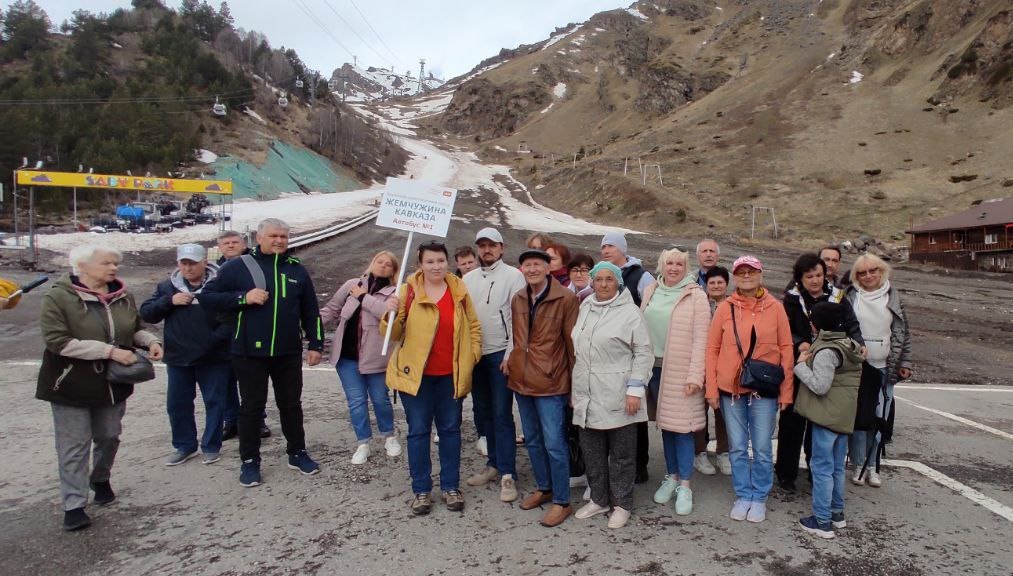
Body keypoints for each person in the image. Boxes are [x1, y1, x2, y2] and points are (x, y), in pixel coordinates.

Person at [37, 245, 163, 531]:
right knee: (74, 445)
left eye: (115, 263)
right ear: (81, 266)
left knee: (109, 436)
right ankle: (74, 504)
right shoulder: (58, 297)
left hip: (112, 384)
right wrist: (109, 352)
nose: (113, 268)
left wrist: (150, 342)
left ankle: (100, 477)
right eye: (106, 263)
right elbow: (58, 341)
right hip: (69, 383)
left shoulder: (122, 295)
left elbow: (134, 328)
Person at [201, 218, 324, 487]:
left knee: (291, 405)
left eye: (283, 236)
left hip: (287, 351)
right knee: (252, 407)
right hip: (247, 351)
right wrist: (243, 298)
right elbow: (207, 297)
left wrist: (316, 345)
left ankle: (297, 453)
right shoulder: (238, 266)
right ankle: (249, 461)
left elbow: (311, 311)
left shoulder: (296, 269)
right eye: (273, 236)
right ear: (259, 237)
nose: (279, 240)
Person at [381, 241, 481, 515]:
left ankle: (450, 486)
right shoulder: (408, 291)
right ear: (420, 265)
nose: (436, 266)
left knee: (450, 431)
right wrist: (389, 312)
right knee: (418, 432)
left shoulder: (458, 290)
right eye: (430, 261)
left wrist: (472, 355)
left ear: (447, 262)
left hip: (450, 375)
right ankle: (421, 490)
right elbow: (393, 333)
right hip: (418, 378)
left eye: (440, 260)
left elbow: (473, 325)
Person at [705, 255, 793, 523]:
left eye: (751, 271)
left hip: (764, 389)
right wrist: (711, 388)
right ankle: (743, 494)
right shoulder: (725, 308)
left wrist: (786, 391)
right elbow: (712, 349)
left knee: (764, 447)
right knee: (738, 447)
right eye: (741, 272)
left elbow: (787, 348)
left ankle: (760, 496)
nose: (746, 276)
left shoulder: (776, 308)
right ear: (734, 276)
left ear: (760, 275)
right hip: (730, 389)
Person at [571, 262, 653, 529]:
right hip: (587, 390)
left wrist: (635, 389)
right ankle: (599, 498)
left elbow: (643, 353)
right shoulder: (585, 307)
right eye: (599, 279)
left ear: (618, 282)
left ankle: (622, 503)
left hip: (619, 391)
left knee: (622, 455)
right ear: (592, 282)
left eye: (609, 279)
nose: (603, 284)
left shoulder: (630, 313)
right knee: (592, 452)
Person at [776, 253, 865, 492]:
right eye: (809, 276)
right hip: (801, 363)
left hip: (828, 364)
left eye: (818, 275)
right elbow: (783, 329)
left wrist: (859, 341)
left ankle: (818, 472)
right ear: (800, 278)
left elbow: (852, 324)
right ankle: (786, 473)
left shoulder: (837, 296)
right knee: (792, 423)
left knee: (820, 421)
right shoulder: (792, 299)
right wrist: (799, 343)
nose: (815, 280)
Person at [506, 249, 579, 527]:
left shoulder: (566, 299)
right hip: (522, 382)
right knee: (533, 440)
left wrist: (574, 386)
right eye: (527, 265)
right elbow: (516, 339)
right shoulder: (518, 298)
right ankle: (544, 487)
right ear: (521, 269)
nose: (532, 269)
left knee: (554, 443)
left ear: (548, 269)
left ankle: (562, 501)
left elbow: (572, 346)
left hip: (551, 382)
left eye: (538, 264)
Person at [140, 244, 230, 467]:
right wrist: (169, 301)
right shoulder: (167, 287)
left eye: (193, 263)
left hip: (214, 356)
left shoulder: (220, 285)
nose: (188, 268)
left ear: (204, 262)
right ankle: (184, 445)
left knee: (215, 402)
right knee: (177, 403)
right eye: (184, 263)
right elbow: (147, 314)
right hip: (179, 357)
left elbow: (231, 318)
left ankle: (211, 446)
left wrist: (212, 341)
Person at [640, 248, 710, 515]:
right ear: (661, 265)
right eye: (669, 262)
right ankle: (671, 476)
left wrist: (696, 375)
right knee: (665, 425)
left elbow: (701, 340)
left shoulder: (696, 296)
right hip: (654, 369)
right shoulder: (651, 290)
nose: (673, 268)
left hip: (681, 372)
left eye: (679, 264)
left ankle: (686, 485)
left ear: (686, 267)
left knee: (683, 429)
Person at [320, 251, 403, 465]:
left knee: (380, 399)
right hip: (347, 357)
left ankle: (389, 436)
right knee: (356, 402)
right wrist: (312, 325)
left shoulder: (396, 291)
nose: (383, 266)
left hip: (376, 358)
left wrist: (363, 297)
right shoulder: (352, 284)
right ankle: (363, 442)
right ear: (372, 262)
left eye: (388, 264)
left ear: (394, 270)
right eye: (379, 261)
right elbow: (332, 308)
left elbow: (387, 314)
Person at [462, 227, 526, 502]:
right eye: (482, 245)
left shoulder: (514, 276)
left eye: (491, 245)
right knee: (483, 411)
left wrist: (510, 353)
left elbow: (517, 318)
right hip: (476, 355)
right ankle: (493, 464)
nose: (486, 250)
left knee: (502, 414)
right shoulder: (468, 279)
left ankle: (508, 473)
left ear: (501, 247)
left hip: (500, 354)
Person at [793, 301, 865, 539]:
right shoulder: (848, 344)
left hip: (826, 417)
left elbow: (820, 386)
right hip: (842, 416)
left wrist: (801, 366)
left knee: (821, 467)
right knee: (835, 467)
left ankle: (821, 520)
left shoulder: (826, 351)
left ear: (815, 324)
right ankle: (837, 513)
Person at [845, 254, 912, 488]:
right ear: (856, 275)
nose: (868, 276)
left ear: (881, 271)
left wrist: (905, 363)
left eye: (873, 270)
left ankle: (873, 467)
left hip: (885, 367)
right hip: (857, 368)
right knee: (859, 420)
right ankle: (858, 465)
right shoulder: (850, 296)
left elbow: (904, 332)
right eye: (862, 272)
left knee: (879, 419)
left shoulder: (893, 296)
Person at [599, 231, 653, 483]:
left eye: (610, 246)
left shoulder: (641, 276)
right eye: (603, 247)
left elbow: (650, 308)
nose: (606, 250)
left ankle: (640, 465)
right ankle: (616, 464)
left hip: (632, 353)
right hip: (608, 356)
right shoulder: (602, 276)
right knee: (613, 412)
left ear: (622, 249)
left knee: (635, 413)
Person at [215, 230, 270, 441]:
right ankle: (231, 420)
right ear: (219, 247)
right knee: (225, 379)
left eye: (234, 242)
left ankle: (258, 420)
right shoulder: (214, 270)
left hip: (249, 330)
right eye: (226, 243)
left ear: (244, 244)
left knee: (253, 381)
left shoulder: (255, 266)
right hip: (222, 331)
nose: (230, 246)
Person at [697, 265, 732, 476]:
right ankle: (699, 452)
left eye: (720, 282)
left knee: (724, 411)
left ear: (726, 285)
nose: (716, 286)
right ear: (706, 285)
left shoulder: (732, 305)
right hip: (701, 363)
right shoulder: (700, 305)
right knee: (699, 410)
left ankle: (724, 452)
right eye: (712, 283)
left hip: (725, 365)